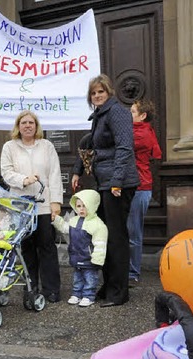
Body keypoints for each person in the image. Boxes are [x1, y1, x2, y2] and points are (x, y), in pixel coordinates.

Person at [71, 74, 139, 307]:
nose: (97, 95)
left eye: (101, 91)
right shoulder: (100, 116)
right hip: (104, 182)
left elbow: (124, 147)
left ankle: (119, 293)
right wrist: (77, 170)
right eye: (93, 93)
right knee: (105, 235)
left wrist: (117, 181)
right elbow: (88, 144)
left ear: (109, 92)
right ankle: (110, 286)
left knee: (117, 238)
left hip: (117, 183)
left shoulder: (118, 112)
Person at [0, 110, 64, 303]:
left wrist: (56, 202)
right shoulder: (9, 147)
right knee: (26, 248)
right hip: (21, 207)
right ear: (17, 127)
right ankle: (31, 288)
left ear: (36, 126)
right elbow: (6, 172)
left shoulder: (47, 146)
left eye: (31, 123)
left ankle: (51, 289)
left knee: (47, 247)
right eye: (23, 123)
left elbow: (54, 174)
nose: (27, 126)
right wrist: (23, 180)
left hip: (43, 205)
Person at [52, 189, 107, 307]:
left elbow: (100, 243)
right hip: (76, 256)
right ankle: (76, 294)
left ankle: (89, 296)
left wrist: (97, 259)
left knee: (90, 279)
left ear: (92, 206)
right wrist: (56, 219)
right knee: (77, 278)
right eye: (78, 206)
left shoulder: (97, 225)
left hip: (89, 259)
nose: (81, 209)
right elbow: (66, 228)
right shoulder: (74, 220)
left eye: (84, 206)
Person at [127, 98, 162, 285]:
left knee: (133, 233)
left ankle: (133, 272)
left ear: (143, 115)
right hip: (129, 187)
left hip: (139, 187)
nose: (128, 114)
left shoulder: (141, 134)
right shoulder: (133, 131)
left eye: (132, 112)